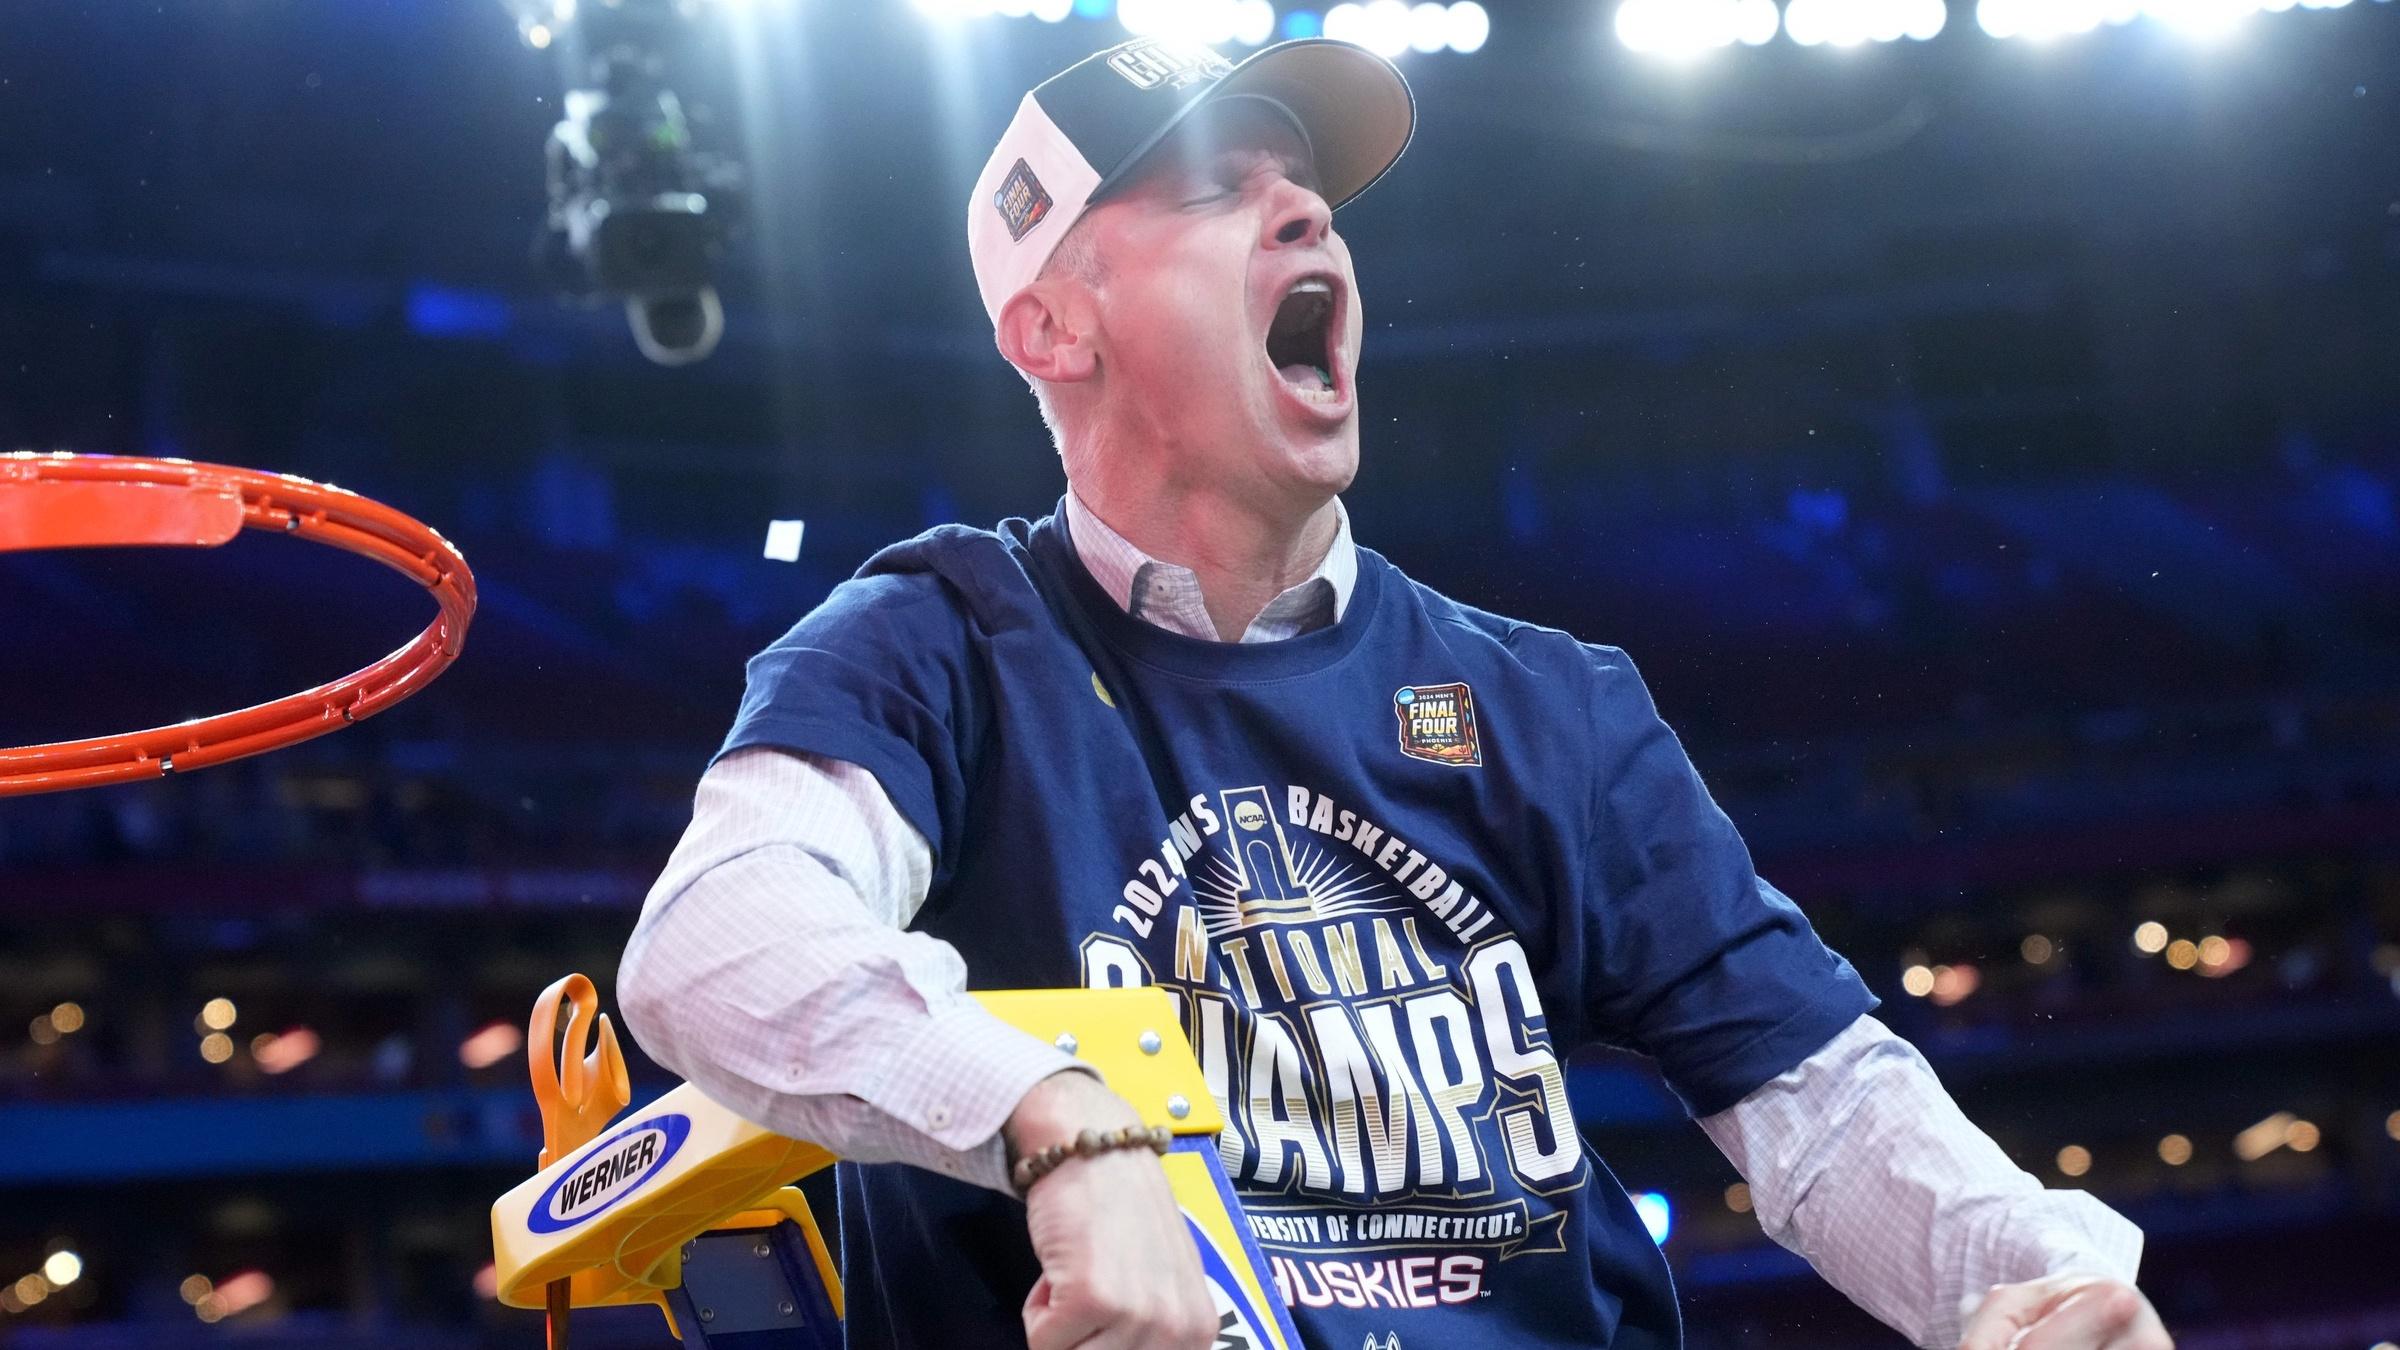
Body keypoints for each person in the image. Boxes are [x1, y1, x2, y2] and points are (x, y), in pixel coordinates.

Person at [618, 35, 2174, 1350]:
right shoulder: (935, 637)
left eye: (1311, 193)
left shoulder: (1555, 702)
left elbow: (1824, 1102)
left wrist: (2035, 1275)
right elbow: (713, 941)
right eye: (1221, 189)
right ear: (1053, 323)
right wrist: (1065, 1124)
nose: (1307, 211)